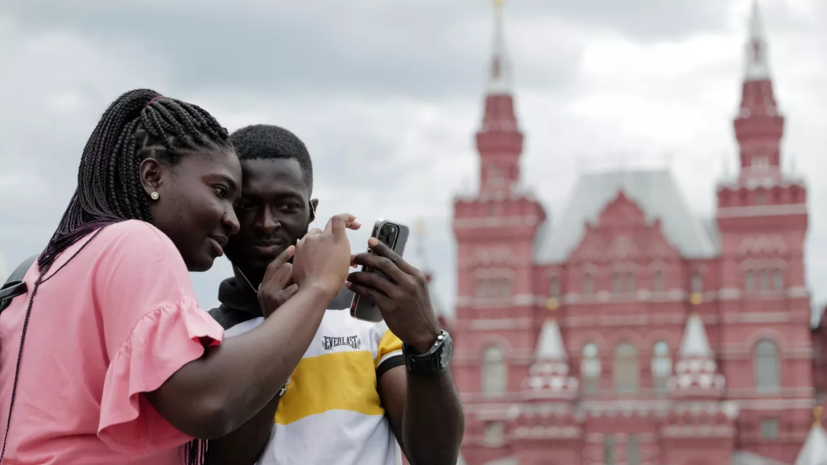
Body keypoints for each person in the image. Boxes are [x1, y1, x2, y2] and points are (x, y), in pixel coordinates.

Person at [0, 90, 358, 465]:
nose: (233, 220)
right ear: (153, 175)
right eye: (220, 192)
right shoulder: (138, 242)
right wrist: (318, 287)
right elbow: (210, 403)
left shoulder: (45, 267)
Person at [206, 124, 464, 465]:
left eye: (286, 206)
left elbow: (435, 457)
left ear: (312, 211)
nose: (267, 223)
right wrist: (279, 332)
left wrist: (425, 342)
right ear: (226, 213)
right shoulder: (205, 335)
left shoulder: (366, 319)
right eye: (248, 206)